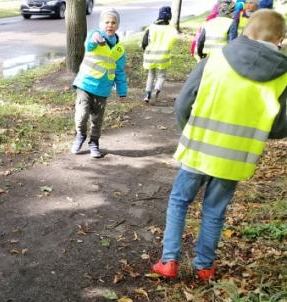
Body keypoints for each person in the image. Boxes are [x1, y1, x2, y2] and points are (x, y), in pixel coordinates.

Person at [152, 9, 287, 282]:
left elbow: (182, 104)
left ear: (247, 30)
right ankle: (205, 267)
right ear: (280, 39)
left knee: (179, 202)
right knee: (214, 211)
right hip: (236, 159)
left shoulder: (215, 60)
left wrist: (191, 130)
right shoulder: (282, 76)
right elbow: (281, 126)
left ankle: (169, 261)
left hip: (199, 148)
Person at [70, 8, 128, 158]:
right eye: (107, 22)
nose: (110, 25)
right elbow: (90, 43)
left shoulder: (120, 49)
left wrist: (122, 92)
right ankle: (80, 136)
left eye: (113, 22)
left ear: (117, 25)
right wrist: (95, 37)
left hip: (102, 89)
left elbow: (119, 72)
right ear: (102, 24)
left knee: (97, 120)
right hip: (85, 84)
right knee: (81, 116)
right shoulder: (95, 36)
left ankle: (94, 143)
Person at [141, 6, 179, 104]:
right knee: (161, 76)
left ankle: (147, 95)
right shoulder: (171, 29)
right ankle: (156, 90)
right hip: (163, 57)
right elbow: (174, 40)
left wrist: (145, 50)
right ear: (169, 17)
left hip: (150, 56)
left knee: (151, 75)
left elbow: (144, 42)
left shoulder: (151, 27)